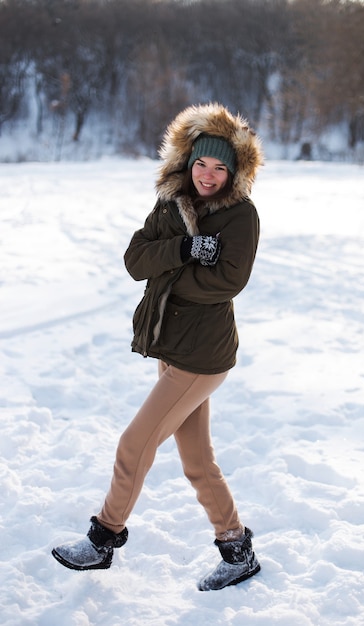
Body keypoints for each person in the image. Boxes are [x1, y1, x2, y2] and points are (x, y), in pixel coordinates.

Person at [51, 102, 264, 591]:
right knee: (197, 461)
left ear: (233, 172)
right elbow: (135, 259)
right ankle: (237, 552)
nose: (208, 175)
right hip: (172, 347)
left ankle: (103, 538)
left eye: (219, 167)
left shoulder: (240, 217)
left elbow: (227, 282)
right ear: (188, 162)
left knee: (134, 444)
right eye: (201, 164)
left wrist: (168, 277)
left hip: (202, 356)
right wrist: (184, 251)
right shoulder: (171, 203)